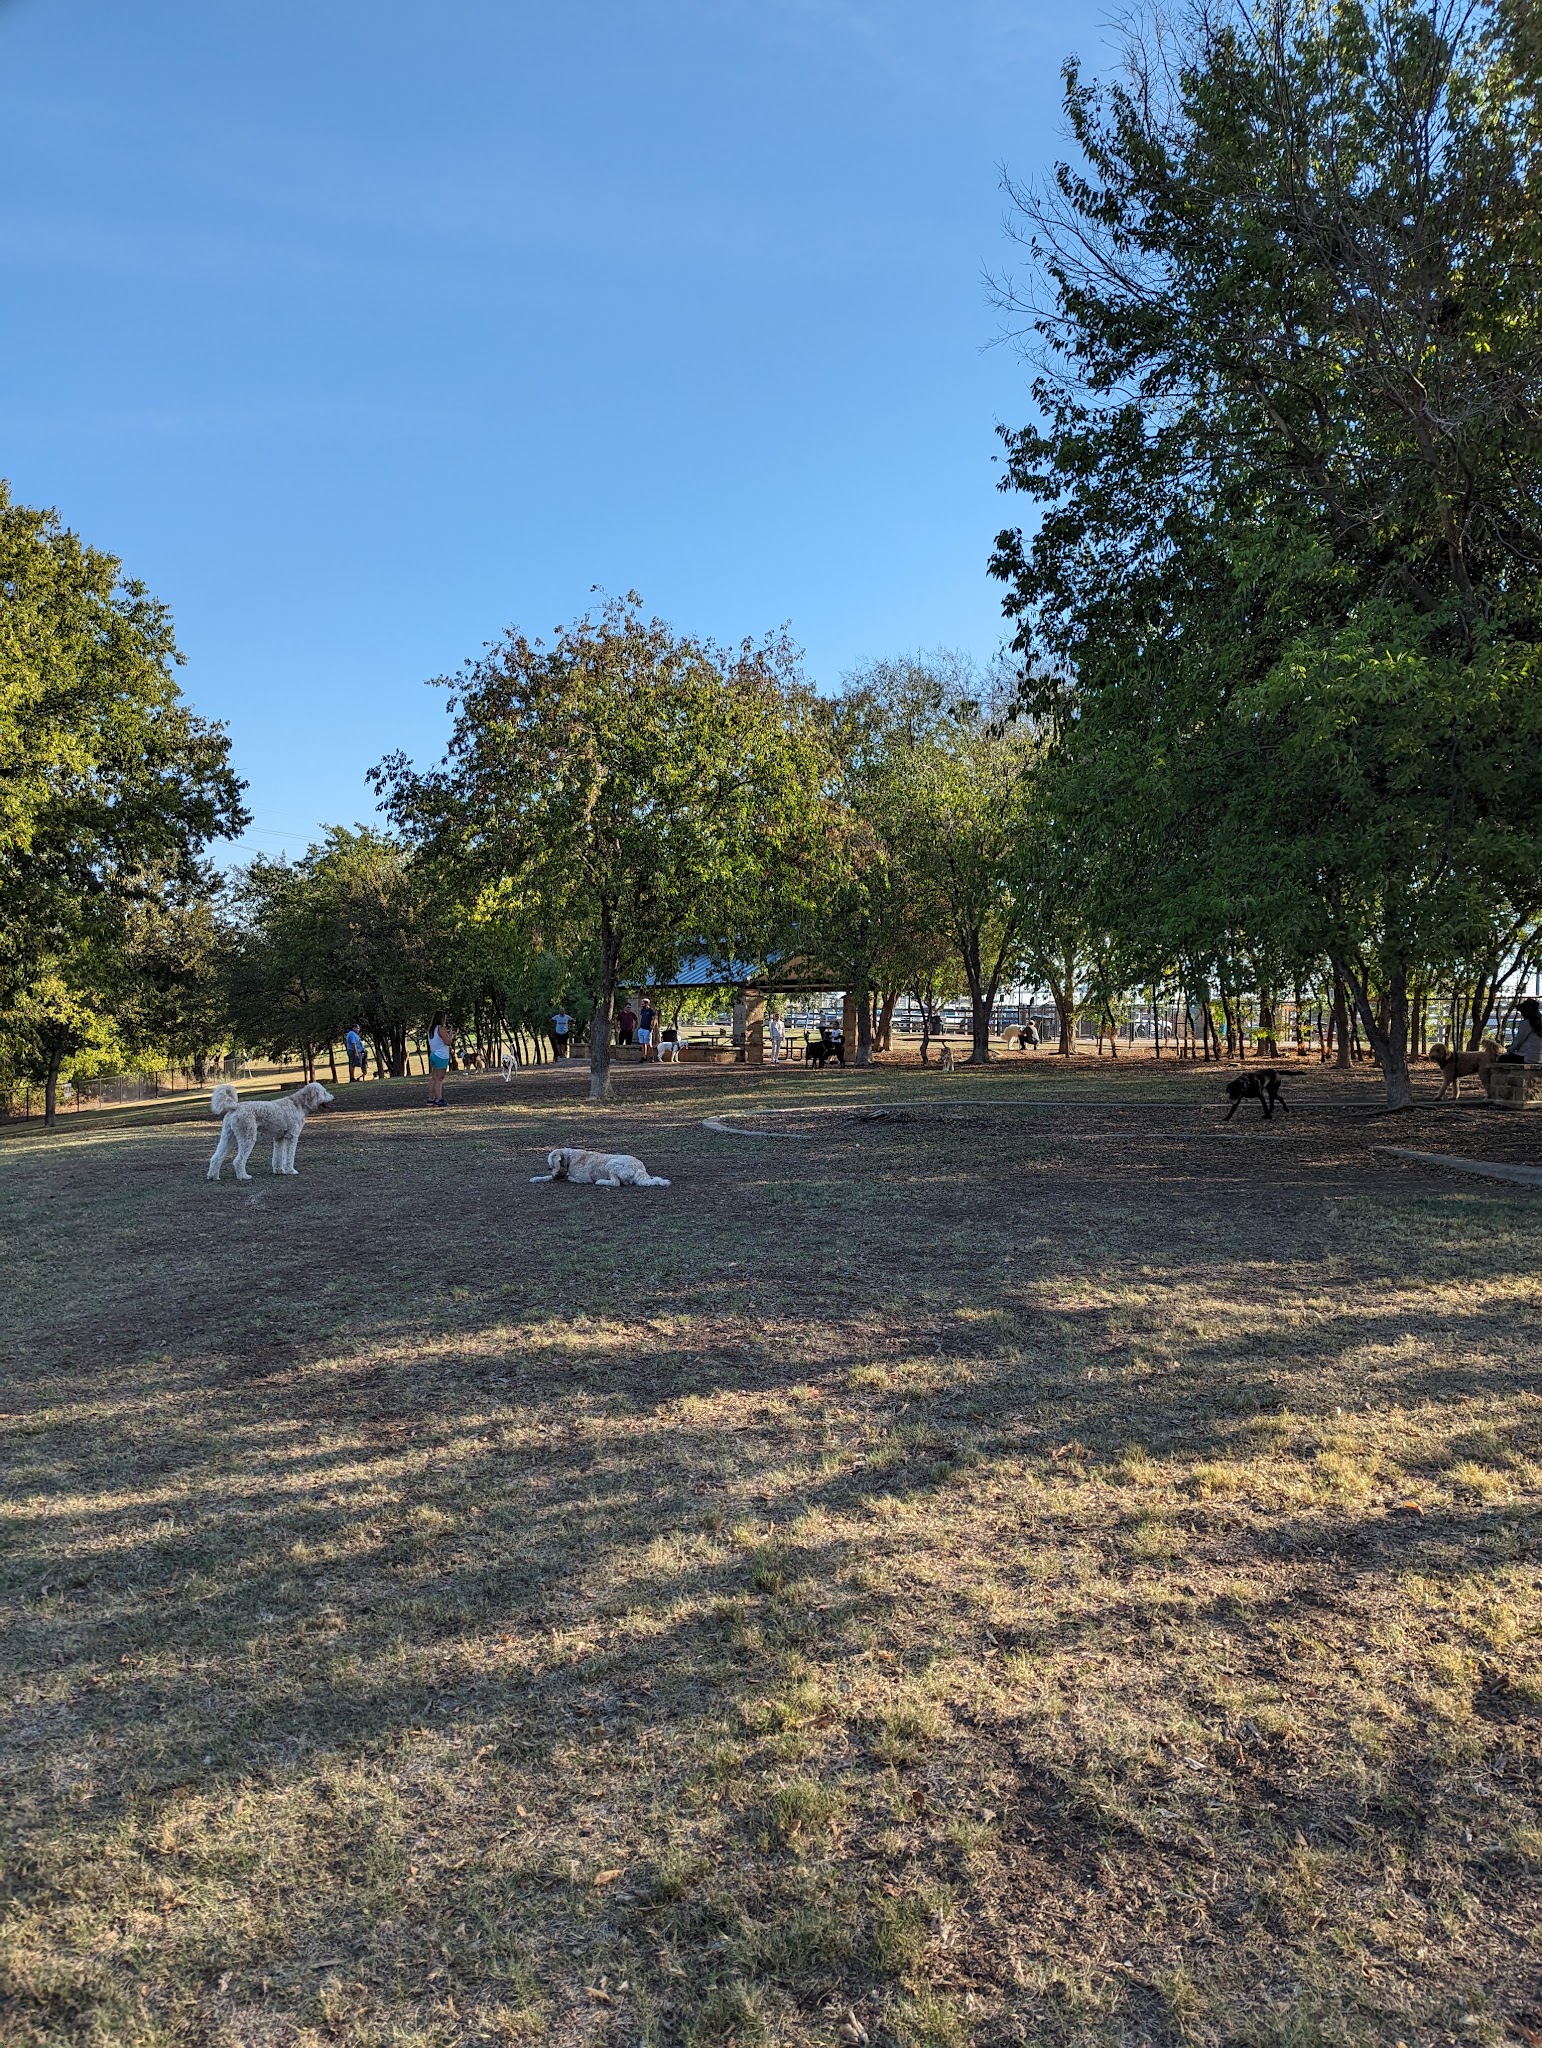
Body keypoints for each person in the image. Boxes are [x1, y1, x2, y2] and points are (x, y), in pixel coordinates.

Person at [1502, 995, 1542, 1064]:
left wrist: (1509, 1050)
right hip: (1540, 1058)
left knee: (1501, 1058)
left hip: (1527, 1057)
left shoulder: (1526, 1023)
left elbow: (1518, 1041)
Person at [426, 1013, 454, 1106]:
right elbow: (448, 1042)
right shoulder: (441, 1029)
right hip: (441, 1056)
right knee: (440, 1078)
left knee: (434, 1077)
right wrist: (451, 1036)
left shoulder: (431, 1029)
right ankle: (439, 1099)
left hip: (433, 1054)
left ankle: (431, 1098)